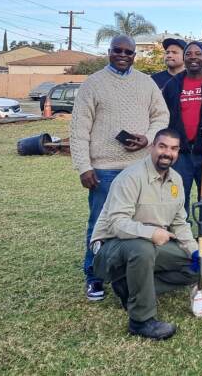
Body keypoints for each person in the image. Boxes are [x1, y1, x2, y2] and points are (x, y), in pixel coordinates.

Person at [70, 35, 169, 302]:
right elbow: (78, 129)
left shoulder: (145, 83)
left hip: (139, 168)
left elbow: (161, 116)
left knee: (139, 223)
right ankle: (94, 276)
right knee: (100, 224)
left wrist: (148, 137)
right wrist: (83, 167)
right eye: (118, 50)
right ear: (109, 52)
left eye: (129, 51)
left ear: (135, 55)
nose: (123, 55)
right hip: (103, 169)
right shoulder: (93, 84)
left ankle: (129, 273)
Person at [90, 128, 202, 340]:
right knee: (142, 249)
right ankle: (141, 320)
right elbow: (117, 224)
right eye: (162, 146)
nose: (167, 153)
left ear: (178, 152)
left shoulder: (176, 180)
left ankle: (128, 287)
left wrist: (194, 250)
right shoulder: (131, 177)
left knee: (197, 267)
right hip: (111, 247)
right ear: (152, 147)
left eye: (173, 148)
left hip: (151, 244)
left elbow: (179, 222)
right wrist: (151, 233)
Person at [161, 41, 202, 268]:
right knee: (177, 200)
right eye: (188, 54)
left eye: (198, 53)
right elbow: (164, 116)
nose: (193, 57)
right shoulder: (174, 84)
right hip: (181, 155)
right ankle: (181, 248)